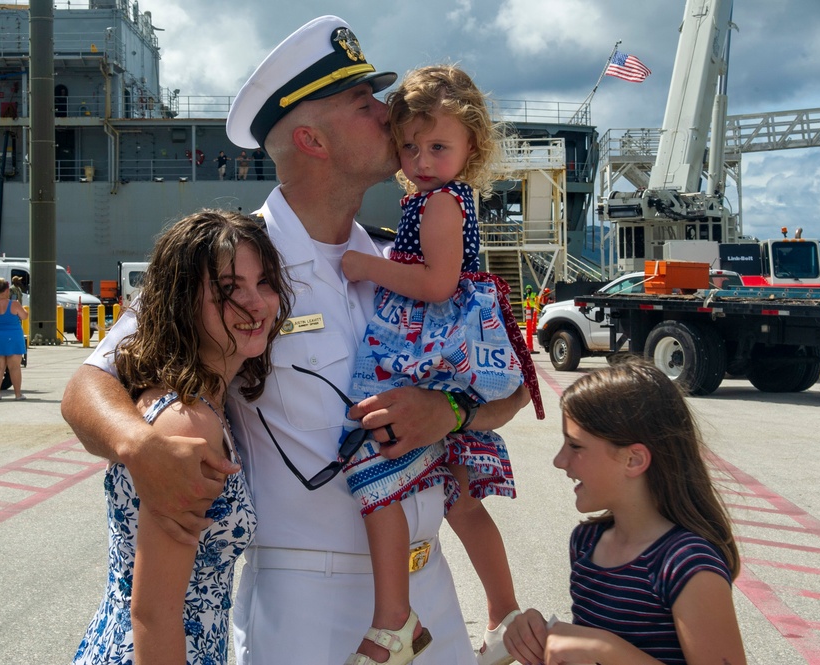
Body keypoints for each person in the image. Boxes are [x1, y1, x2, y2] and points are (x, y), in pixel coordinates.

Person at [61, 16, 527, 665]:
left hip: (429, 598)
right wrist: (140, 445)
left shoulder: (405, 262)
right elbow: (89, 383)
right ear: (311, 138)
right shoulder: (235, 267)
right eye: (364, 103)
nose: (388, 112)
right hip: (310, 603)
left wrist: (447, 412)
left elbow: (506, 387)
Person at [338, 64, 544, 665]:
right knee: (460, 496)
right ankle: (502, 609)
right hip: (448, 347)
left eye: (438, 146)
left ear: (471, 146)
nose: (421, 160)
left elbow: (437, 282)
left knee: (373, 469)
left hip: (432, 344)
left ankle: (394, 620)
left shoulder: (439, 205)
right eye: (409, 146)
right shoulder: (440, 198)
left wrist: (365, 265)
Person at [73, 210, 291, 665]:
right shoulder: (188, 421)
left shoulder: (205, 400)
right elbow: (154, 613)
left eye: (265, 282)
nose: (256, 303)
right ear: (183, 303)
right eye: (229, 290)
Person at [502, 358, 747, 665]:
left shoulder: (687, 565)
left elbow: (599, 650)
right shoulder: (586, 543)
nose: (559, 460)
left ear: (633, 460)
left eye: (575, 446)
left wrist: (603, 649)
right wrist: (537, 635)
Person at [0, 277, 29, 400]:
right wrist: (24, 309)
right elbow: (24, 316)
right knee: (14, 367)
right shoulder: (14, 304)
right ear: (6, 290)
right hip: (13, 337)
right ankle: (17, 394)